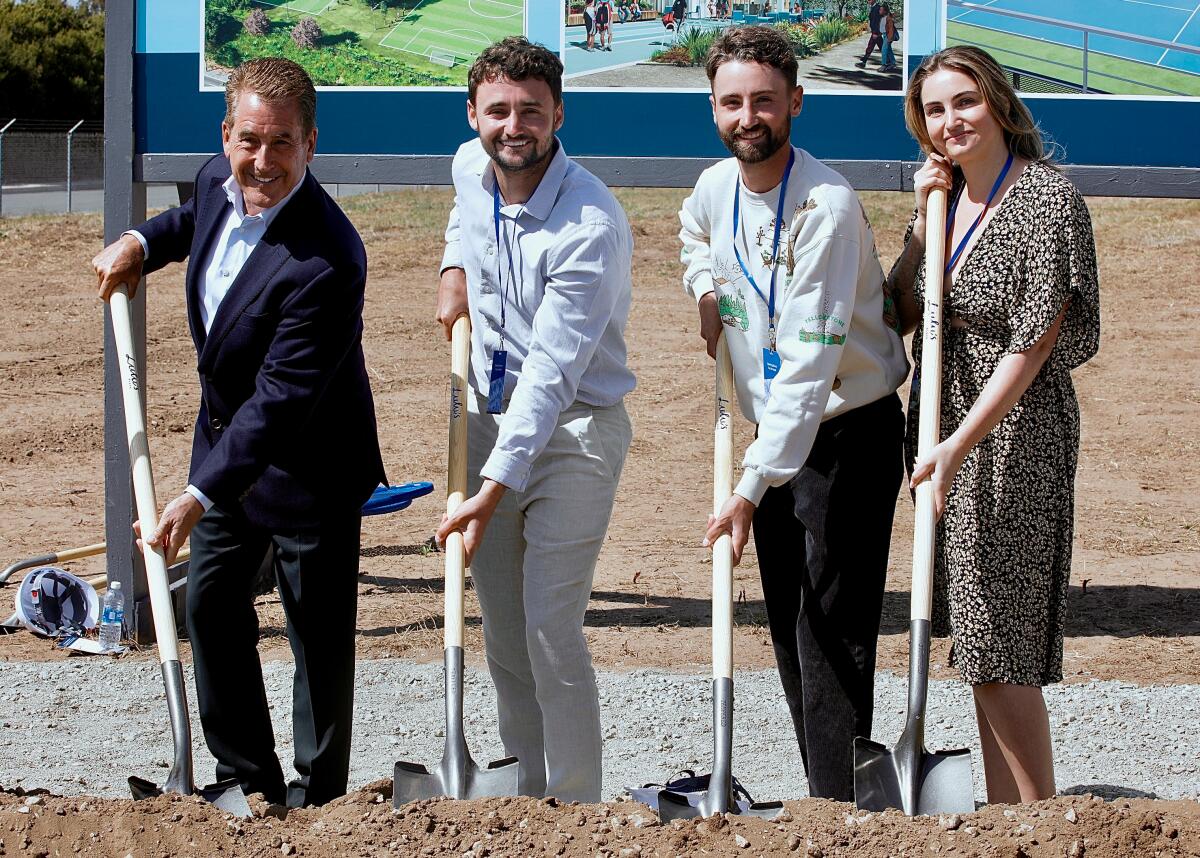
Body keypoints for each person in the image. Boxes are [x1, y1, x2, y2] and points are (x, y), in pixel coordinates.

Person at [90, 58, 385, 808]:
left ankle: (319, 799)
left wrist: (195, 493)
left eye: (283, 142)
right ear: (226, 136)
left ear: (312, 143)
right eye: (250, 139)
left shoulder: (328, 255)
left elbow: (282, 398)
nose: (264, 160)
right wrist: (140, 243)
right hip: (225, 454)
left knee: (316, 641)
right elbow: (190, 221)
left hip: (309, 465)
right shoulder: (214, 184)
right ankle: (249, 781)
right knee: (211, 607)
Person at [678, 25, 908, 801]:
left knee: (831, 626)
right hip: (774, 438)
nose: (749, 116)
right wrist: (706, 290)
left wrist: (746, 490)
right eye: (732, 102)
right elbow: (694, 235)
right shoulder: (715, 186)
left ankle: (840, 806)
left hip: (846, 431)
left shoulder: (828, 207)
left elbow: (809, 368)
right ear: (713, 107)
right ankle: (826, 789)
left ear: (795, 103)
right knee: (787, 619)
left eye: (765, 101)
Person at [887, 46, 1100, 803]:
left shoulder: (1046, 199)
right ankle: (1010, 812)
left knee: (999, 632)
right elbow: (899, 311)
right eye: (936, 110)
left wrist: (955, 444)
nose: (951, 121)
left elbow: (1034, 338)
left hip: (1011, 434)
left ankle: (1033, 814)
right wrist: (922, 223)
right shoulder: (949, 203)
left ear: (1000, 104)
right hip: (944, 431)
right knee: (976, 631)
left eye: (965, 102)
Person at [434, 36, 635, 804]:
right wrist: (453, 264)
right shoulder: (467, 164)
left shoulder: (590, 223)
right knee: (506, 640)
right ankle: (527, 798)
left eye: (530, 112)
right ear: (474, 114)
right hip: (485, 419)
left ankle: (575, 812)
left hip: (574, 434)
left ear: (557, 114)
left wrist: (491, 487)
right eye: (497, 111)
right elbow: (464, 207)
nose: (512, 127)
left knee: (551, 631)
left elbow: (552, 375)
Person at [855, 0, 883, 68]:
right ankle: (890, 62)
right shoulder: (873, 7)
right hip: (875, 31)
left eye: (870, 0)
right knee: (881, 47)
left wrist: (876, 32)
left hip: (876, 32)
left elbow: (877, 21)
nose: (868, 1)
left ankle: (864, 62)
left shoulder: (877, 8)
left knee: (871, 46)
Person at [879, 4, 898, 71]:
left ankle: (884, 65)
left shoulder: (888, 18)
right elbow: (882, 27)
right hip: (884, 35)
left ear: (885, 11)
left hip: (888, 36)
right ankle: (893, 63)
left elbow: (891, 29)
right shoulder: (882, 18)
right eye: (879, 10)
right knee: (889, 50)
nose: (879, 11)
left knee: (884, 50)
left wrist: (889, 39)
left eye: (881, 10)